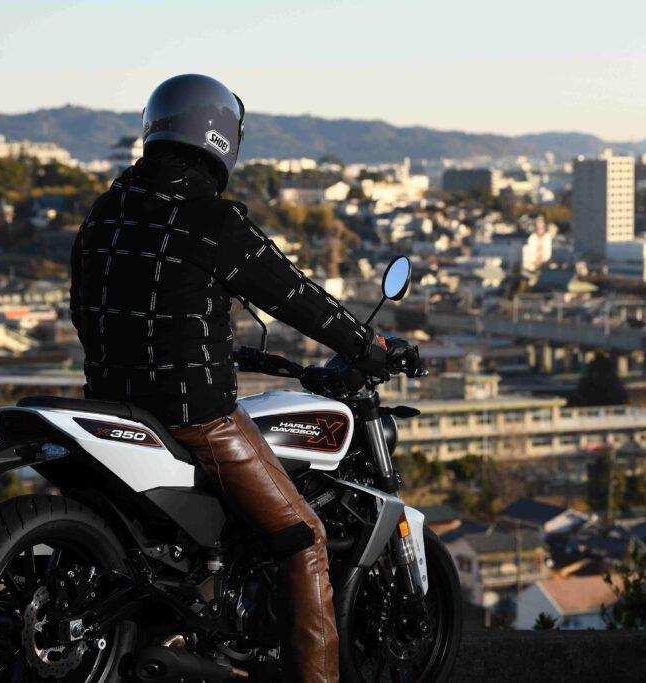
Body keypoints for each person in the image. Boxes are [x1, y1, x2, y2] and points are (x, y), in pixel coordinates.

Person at [69, 74, 416, 682]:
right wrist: (367, 346)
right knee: (302, 536)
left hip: (111, 410)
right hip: (195, 420)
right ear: (223, 137)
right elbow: (297, 297)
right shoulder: (211, 220)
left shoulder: (106, 214)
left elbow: (89, 310)